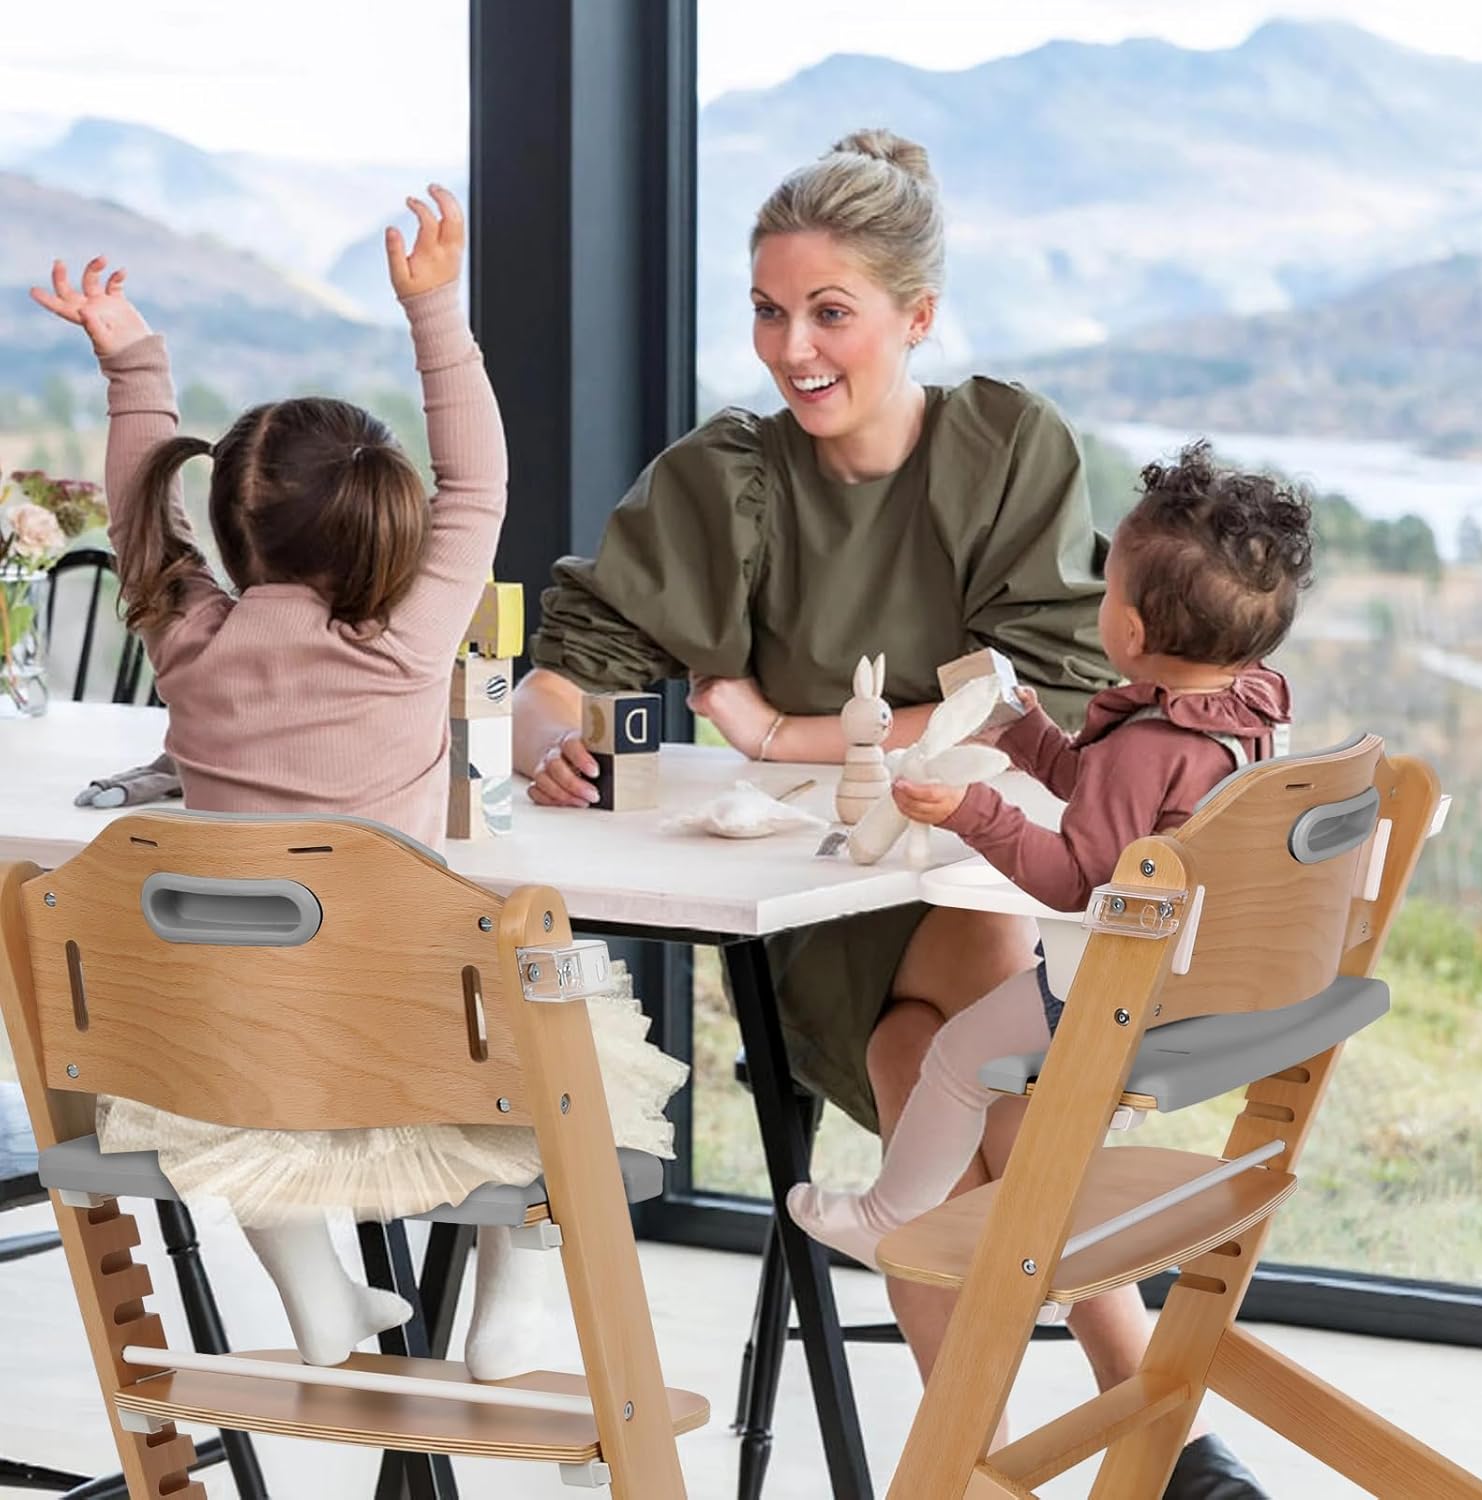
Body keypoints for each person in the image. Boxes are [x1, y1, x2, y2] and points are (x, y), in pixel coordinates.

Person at [514, 131, 1268, 1492]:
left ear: (915, 318)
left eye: (828, 311)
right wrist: (543, 723)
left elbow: (1047, 684)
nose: (790, 345)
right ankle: (1163, 1437)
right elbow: (582, 651)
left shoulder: (1000, 448)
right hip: (812, 898)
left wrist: (781, 726)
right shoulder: (725, 477)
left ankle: (994, 1465)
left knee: (943, 1043)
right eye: (766, 308)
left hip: (964, 865)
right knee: (967, 1030)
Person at [31, 187, 685, 1380]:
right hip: (423, 1038)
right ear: (387, 523)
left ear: (234, 534)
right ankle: (509, 1301)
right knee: (558, 1033)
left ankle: (317, 1294)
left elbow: (143, 526)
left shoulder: (189, 647)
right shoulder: (406, 645)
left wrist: (135, 364)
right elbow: (480, 486)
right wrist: (436, 310)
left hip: (242, 1046)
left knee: (210, 1066)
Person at [787, 442, 1308, 1280]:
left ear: (1130, 630)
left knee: (957, 1058)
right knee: (984, 1045)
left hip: (1124, 988)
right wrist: (1031, 738)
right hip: (1208, 981)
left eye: (1108, 593)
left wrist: (974, 811)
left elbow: (1075, 878)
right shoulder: (1242, 713)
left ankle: (889, 1216)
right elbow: (1121, 807)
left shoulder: (1147, 746)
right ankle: (1043, 1208)